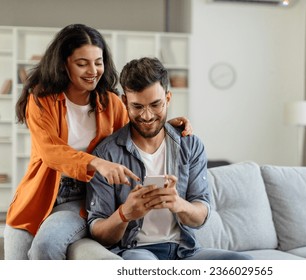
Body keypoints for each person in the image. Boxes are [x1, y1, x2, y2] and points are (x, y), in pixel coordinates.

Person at [4, 24, 192, 260]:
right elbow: (50, 151)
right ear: (64, 64)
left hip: (85, 197)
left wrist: (161, 123)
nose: (93, 70)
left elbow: (132, 131)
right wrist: (98, 163)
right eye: (82, 64)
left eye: (98, 62)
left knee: (46, 245)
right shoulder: (42, 99)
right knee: (15, 259)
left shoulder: (110, 102)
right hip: (40, 192)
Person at [86, 57, 252, 260]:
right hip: (136, 251)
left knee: (244, 264)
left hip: (186, 251)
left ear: (168, 98)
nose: (147, 116)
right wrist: (125, 214)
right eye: (137, 107)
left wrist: (178, 204)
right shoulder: (106, 154)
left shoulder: (190, 145)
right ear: (124, 102)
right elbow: (99, 232)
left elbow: (201, 213)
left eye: (156, 105)